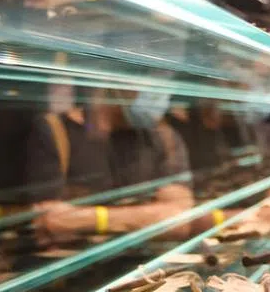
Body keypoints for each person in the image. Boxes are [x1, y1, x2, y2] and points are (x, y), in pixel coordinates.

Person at [24, 87, 196, 242]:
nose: (158, 92)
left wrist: (88, 218)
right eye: (145, 78)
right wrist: (150, 215)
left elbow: (180, 221)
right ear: (115, 83)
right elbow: (51, 220)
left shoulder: (165, 137)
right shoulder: (55, 131)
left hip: (152, 263)